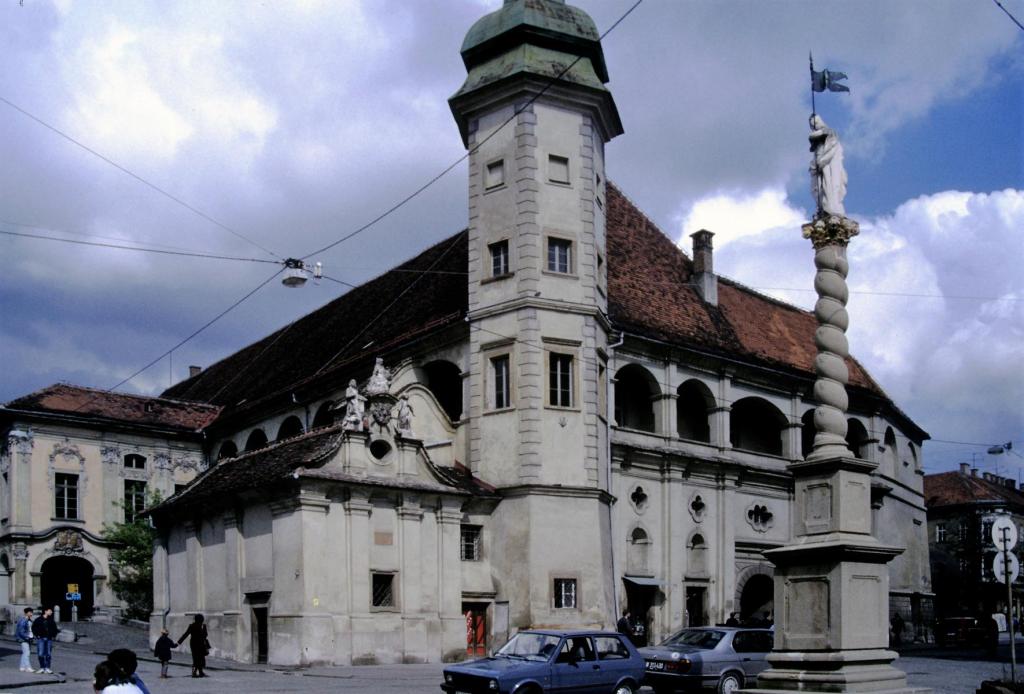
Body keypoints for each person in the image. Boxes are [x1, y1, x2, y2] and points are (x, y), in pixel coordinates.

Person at [808, 114, 847, 217]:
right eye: (812, 125)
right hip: (820, 166)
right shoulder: (819, 138)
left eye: (815, 123)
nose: (814, 126)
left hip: (829, 166)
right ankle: (822, 207)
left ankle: (831, 207)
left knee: (830, 185)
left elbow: (814, 136)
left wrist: (822, 160)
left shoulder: (829, 131)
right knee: (818, 188)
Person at [177, 614, 209, 678]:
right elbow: (205, 635)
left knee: (196, 657)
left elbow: (185, 634)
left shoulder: (192, 626)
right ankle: (196, 672)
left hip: (194, 644)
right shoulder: (202, 626)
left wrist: (178, 642)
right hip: (200, 644)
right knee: (200, 657)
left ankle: (198, 672)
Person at [31, 606, 59, 675]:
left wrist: (53, 635)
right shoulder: (38, 620)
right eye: (50, 611)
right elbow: (33, 628)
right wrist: (37, 635)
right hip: (41, 639)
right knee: (40, 653)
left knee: (48, 654)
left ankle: (47, 668)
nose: (51, 612)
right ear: (45, 611)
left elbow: (55, 629)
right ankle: (42, 667)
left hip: (49, 639)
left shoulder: (51, 620)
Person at [15, 607, 35, 672]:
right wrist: (27, 637)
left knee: (25, 653)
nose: (31, 613)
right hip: (24, 639)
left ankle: (22, 667)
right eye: (30, 612)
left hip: (28, 638)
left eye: (32, 612)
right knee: (27, 653)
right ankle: (28, 667)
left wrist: (31, 637)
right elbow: (21, 631)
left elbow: (30, 630)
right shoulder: (23, 620)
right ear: (26, 613)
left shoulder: (29, 620)